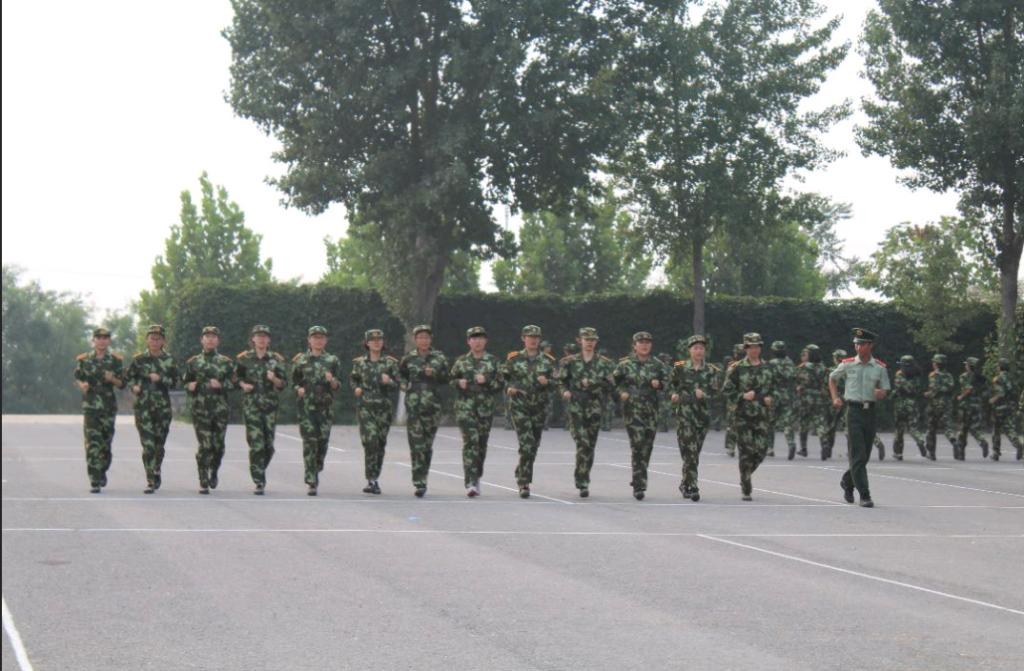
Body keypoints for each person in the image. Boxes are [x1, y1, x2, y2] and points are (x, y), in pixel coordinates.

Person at [829, 328, 890, 508]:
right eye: (856, 344)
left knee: (864, 456)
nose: (858, 347)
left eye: (862, 344)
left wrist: (881, 393)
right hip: (853, 412)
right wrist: (835, 397)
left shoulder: (879, 367)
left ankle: (848, 482)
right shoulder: (847, 364)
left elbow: (885, 389)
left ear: (870, 345)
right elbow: (832, 378)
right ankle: (865, 494)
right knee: (858, 454)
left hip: (870, 412)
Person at [558, 328, 615, 497]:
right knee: (582, 442)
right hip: (576, 406)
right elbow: (561, 381)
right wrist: (564, 391)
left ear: (596, 342)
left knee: (589, 445)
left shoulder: (604, 363)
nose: (589, 342)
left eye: (592, 340)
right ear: (579, 341)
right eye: (586, 339)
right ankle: (582, 481)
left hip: (595, 406)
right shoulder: (569, 362)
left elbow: (611, 384)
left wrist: (594, 383)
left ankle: (584, 478)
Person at [613, 331, 670, 500]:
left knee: (647, 446)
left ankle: (639, 476)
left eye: (647, 343)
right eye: (641, 342)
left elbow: (670, 383)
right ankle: (639, 483)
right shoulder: (625, 364)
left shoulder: (658, 365)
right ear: (634, 345)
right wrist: (622, 392)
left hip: (651, 409)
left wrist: (660, 384)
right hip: (632, 409)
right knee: (637, 445)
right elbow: (614, 382)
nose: (644, 345)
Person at [450, 326, 505, 496]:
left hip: (484, 408)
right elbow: (450, 379)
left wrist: (486, 380)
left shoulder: (493, 361)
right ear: (468, 341)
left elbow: (500, 384)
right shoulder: (461, 361)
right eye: (474, 338)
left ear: (485, 341)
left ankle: (477, 475)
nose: (477, 341)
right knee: (470, 442)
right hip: (465, 407)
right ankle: (471, 482)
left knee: (481, 444)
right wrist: (458, 383)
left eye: (480, 338)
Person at [124, 324, 178, 493]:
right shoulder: (138, 359)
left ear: (163, 341)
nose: (154, 341)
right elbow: (128, 377)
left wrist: (160, 379)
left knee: (159, 445)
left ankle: (156, 469)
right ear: (147, 340)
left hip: (162, 407)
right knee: (148, 445)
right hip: (143, 407)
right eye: (152, 338)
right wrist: (134, 386)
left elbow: (175, 382)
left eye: (158, 338)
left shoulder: (170, 360)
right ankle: (150, 479)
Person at [504, 325, 556, 498]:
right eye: (530, 337)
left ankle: (521, 469)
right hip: (520, 405)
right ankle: (524, 483)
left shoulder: (548, 361)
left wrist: (547, 382)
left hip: (539, 407)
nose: (533, 340)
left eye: (536, 337)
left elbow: (558, 383)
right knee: (527, 444)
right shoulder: (514, 359)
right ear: (523, 338)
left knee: (534, 445)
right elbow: (503, 379)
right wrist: (510, 387)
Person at [183, 326, 235, 495]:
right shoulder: (193, 362)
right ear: (202, 340)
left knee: (218, 446)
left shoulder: (226, 362)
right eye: (207, 337)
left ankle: (214, 470)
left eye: (213, 337)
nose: (210, 339)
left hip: (220, 410)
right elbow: (185, 382)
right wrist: (189, 386)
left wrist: (221, 385)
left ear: (218, 341)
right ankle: (203, 479)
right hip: (200, 410)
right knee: (205, 445)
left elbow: (234, 384)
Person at [235, 325, 287, 495]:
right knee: (256, 444)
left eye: (264, 336)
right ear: (253, 339)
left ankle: (258, 467)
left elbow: (283, 384)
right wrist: (243, 385)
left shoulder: (276, 359)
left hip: (270, 407)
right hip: (251, 406)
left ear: (269, 340)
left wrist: (275, 379)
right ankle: (259, 480)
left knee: (269, 446)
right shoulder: (244, 359)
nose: (262, 339)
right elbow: (235, 378)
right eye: (258, 336)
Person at [399, 325, 450, 497]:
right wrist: (403, 384)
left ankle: (424, 475)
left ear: (431, 339)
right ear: (415, 340)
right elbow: (401, 374)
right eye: (420, 337)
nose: (423, 340)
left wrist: (434, 373)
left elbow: (447, 378)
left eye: (426, 337)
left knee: (427, 445)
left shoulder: (439, 357)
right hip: (414, 405)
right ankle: (419, 482)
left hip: (433, 404)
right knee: (416, 444)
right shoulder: (408, 358)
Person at [722, 333, 774, 501]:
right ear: (745, 348)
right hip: (742, 415)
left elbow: (777, 389)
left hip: (762, 415)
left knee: (761, 450)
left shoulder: (768, 368)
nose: (754, 350)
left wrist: (772, 399)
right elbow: (726, 390)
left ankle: (746, 473)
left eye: (757, 346)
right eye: (751, 347)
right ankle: (746, 486)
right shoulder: (737, 368)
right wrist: (742, 396)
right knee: (746, 451)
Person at [291, 325, 342, 496]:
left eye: (321, 338)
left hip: (325, 409)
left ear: (325, 341)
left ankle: (316, 466)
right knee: (309, 443)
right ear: (309, 340)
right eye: (315, 338)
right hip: (306, 408)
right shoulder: (300, 360)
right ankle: (311, 480)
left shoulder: (332, 360)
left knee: (322, 443)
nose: (318, 341)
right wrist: (298, 389)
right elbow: (293, 381)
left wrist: (332, 380)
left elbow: (338, 386)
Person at [74, 327, 125, 493]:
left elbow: (122, 384)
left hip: (108, 407)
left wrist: (113, 379)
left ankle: (102, 469)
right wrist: (82, 385)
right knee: (92, 443)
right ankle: (94, 480)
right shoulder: (84, 360)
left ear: (109, 341)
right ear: (93, 340)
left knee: (105, 443)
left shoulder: (115, 360)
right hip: (90, 407)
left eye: (105, 338)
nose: (102, 341)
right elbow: (78, 378)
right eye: (99, 338)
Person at [670, 334, 719, 502]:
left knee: (694, 452)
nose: (699, 351)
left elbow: (717, 395)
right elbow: (670, 386)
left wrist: (704, 395)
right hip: (685, 415)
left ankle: (685, 483)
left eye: (701, 348)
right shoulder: (679, 368)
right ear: (689, 350)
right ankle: (693, 486)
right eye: (696, 348)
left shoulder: (711, 370)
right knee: (689, 451)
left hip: (702, 417)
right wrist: (673, 395)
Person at [350, 329, 400, 495]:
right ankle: (371, 478)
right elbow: (353, 379)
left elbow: (399, 385)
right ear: (367, 343)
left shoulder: (390, 363)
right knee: (370, 441)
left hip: (384, 409)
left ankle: (375, 477)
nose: (376, 342)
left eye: (379, 340)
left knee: (380, 443)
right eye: (373, 340)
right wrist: (356, 388)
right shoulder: (359, 363)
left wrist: (389, 381)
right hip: (365, 407)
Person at [890, 355, 927, 460]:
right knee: (913, 427)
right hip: (912, 403)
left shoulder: (900, 374)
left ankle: (898, 453)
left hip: (900, 404)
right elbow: (917, 389)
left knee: (899, 429)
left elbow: (897, 388)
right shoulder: (917, 375)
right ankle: (920, 440)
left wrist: (891, 396)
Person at [795, 344, 829, 458]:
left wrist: (799, 388)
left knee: (803, 422)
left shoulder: (804, 367)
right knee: (820, 422)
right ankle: (824, 444)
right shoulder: (823, 368)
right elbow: (826, 384)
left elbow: (797, 381)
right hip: (819, 397)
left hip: (805, 398)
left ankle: (803, 449)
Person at [767, 340, 799, 460]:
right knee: (787, 422)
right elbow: (793, 376)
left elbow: (767, 379)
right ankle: (791, 444)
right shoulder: (789, 362)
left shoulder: (771, 363)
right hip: (787, 395)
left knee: (770, 422)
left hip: (774, 395)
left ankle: (770, 448)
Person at [924, 353, 958, 460]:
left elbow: (934, 389)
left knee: (931, 428)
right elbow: (951, 388)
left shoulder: (933, 375)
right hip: (947, 403)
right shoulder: (949, 376)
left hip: (935, 404)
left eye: (934, 362)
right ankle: (954, 441)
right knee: (948, 426)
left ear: (936, 364)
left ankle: (931, 453)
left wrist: (927, 394)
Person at [955, 357, 990, 460]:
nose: (965, 366)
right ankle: (982, 441)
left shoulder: (964, 376)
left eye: (966, 364)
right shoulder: (981, 378)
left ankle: (961, 453)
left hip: (966, 406)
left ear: (969, 366)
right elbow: (986, 391)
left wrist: (961, 396)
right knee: (975, 428)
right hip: (977, 405)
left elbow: (968, 389)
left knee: (963, 429)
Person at [988, 357, 1022, 461]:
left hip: (999, 407)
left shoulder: (998, 378)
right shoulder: (1012, 378)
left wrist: (992, 400)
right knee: (1009, 428)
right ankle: (1018, 444)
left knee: (996, 430)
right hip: (1011, 406)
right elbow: (1016, 391)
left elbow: (1000, 393)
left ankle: (996, 452)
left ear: (1000, 367)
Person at [723, 342, 745, 458]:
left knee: (732, 424)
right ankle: (732, 447)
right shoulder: (734, 366)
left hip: (736, 400)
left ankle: (731, 447)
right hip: (738, 399)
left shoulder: (733, 366)